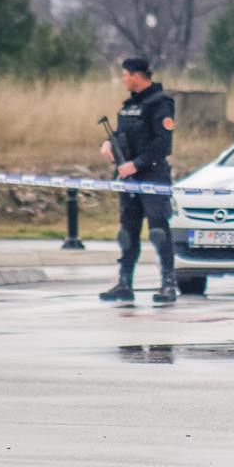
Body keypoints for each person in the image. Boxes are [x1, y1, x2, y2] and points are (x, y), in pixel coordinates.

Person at [99, 58, 177, 304]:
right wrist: (109, 144)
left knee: (158, 231)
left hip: (152, 174)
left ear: (136, 75)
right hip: (128, 177)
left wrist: (137, 163)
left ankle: (168, 283)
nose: (122, 79)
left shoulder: (160, 103)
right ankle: (124, 282)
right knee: (127, 231)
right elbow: (124, 136)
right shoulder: (128, 106)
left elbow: (162, 144)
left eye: (125, 74)